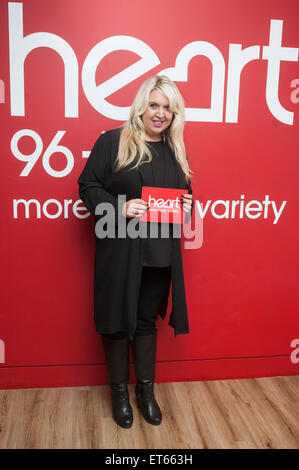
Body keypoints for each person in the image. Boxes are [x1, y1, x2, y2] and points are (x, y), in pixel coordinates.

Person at [78, 75, 194, 429]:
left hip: (159, 255)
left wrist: (188, 204)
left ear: (174, 115)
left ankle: (146, 393)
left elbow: (183, 194)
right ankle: (119, 394)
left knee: (145, 322)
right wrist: (118, 206)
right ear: (141, 105)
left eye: (167, 108)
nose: (159, 114)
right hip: (121, 250)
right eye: (154, 105)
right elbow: (87, 186)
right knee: (116, 323)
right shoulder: (113, 141)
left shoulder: (175, 150)